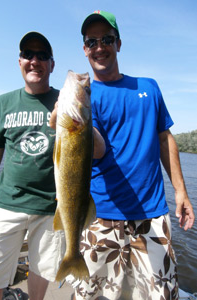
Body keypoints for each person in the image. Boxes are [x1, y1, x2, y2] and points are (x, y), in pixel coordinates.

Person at [71, 10, 195, 300]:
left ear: (119, 43)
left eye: (107, 39)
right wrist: (76, 123)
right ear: (84, 48)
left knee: (161, 294)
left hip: (151, 216)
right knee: (87, 293)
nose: (100, 47)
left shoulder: (148, 87)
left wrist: (181, 192)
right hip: (100, 215)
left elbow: (165, 138)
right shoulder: (87, 96)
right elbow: (96, 151)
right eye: (92, 41)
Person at [0, 32, 66, 300]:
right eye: (28, 54)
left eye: (42, 56)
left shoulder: (66, 102)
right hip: (7, 205)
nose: (34, 61)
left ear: (52, 64)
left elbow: (87, 150)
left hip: (51, 209)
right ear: (19, 61)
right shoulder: (2, 104)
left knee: (42, 271)